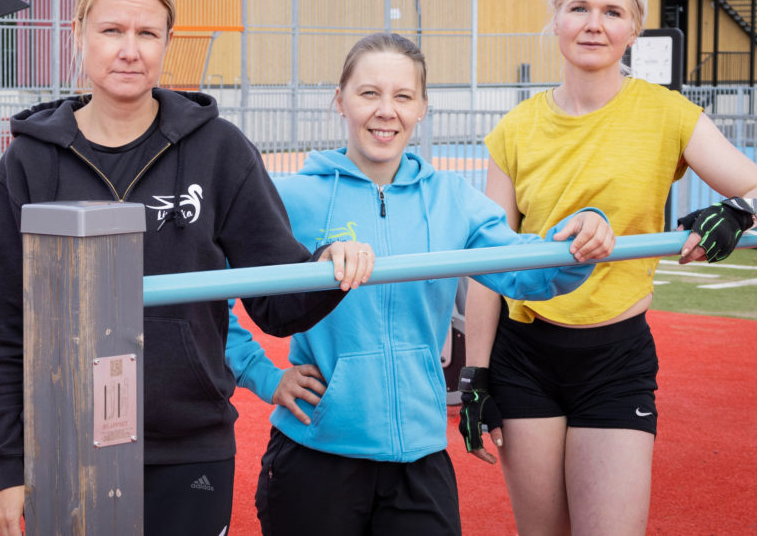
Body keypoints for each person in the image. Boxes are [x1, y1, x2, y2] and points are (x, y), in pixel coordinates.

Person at [0, 0, 374, 536]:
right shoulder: (27, 167)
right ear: (79, 34)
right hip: (64, 444)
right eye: (112, 30)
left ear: (167, 42)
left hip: (189, 446)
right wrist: (8, 465)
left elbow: (277, 303)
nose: (130, 51)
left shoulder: (219, 151)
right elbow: (4, 330)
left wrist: (328, 267)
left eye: (148, 34)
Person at [225, 32, 615, 535]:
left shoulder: (452, 198)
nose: (386, 111)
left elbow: (527, 273)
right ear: (339, 100)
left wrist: (581, 236)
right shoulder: (293, 197)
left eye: (403, 96)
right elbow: (211, 299)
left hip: (420, 456)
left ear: (422, 108)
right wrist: (263, 375)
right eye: (369, 93)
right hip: (316, 452)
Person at [460, 0, 757, 536]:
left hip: (615, 357)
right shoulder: (514, 129)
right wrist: (476, 375)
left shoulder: (667, 114)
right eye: (579, 8)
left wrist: (741, 212)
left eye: (612, 11)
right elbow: (489, 261)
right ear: (556, 19)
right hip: (525, 354)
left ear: (634, 28)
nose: (594, 23)